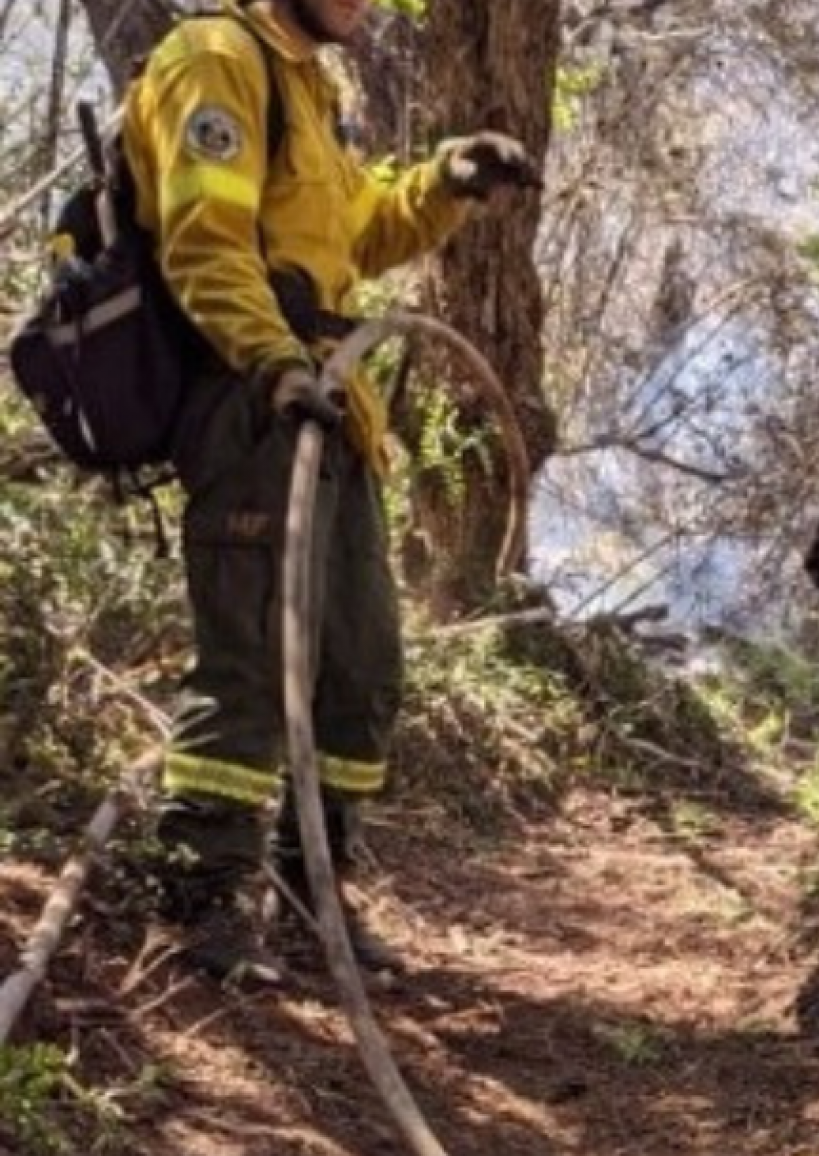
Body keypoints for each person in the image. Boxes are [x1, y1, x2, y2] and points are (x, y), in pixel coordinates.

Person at [129, 0, 540, 984]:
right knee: (256, 655)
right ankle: (194, 906)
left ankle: (311, 888)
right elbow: (204, 237)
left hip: (332, 407)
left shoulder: (310, 89)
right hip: (254, 402)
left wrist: (446, 181)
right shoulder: (219, 60)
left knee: (360, 663)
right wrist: (273, 361)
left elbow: (358, 230)